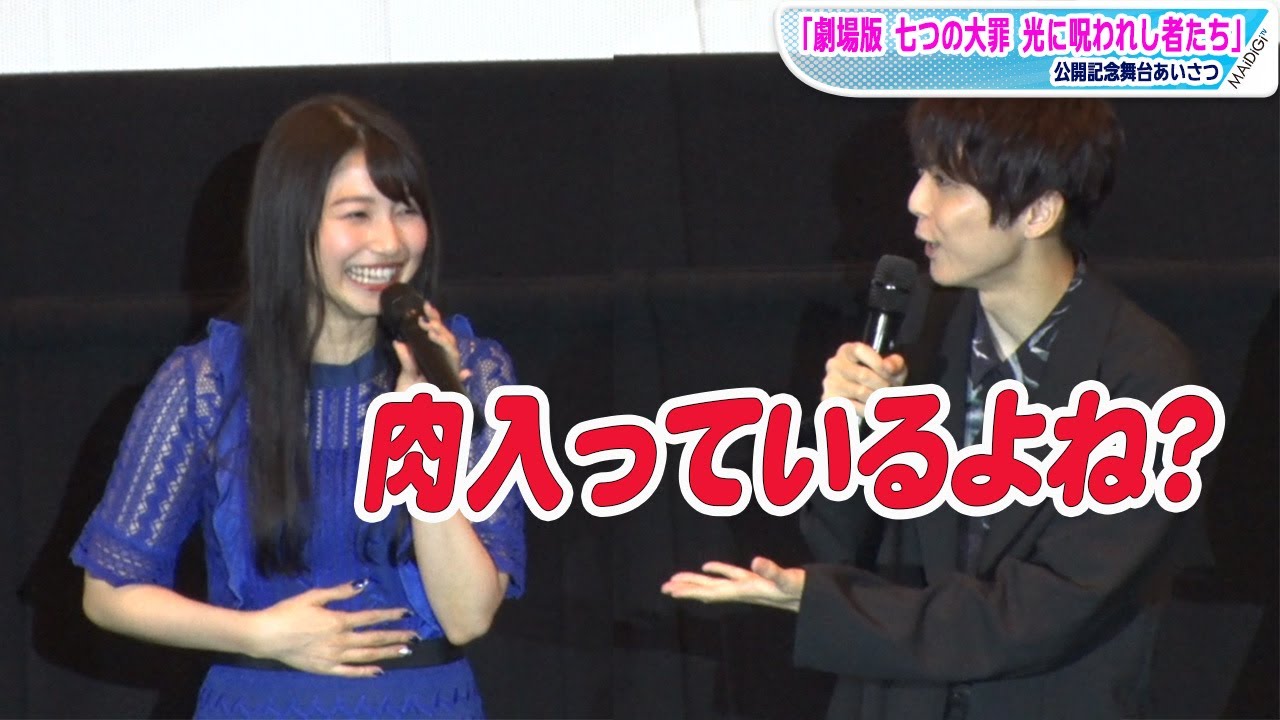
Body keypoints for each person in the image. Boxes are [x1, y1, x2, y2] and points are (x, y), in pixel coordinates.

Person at [662, 99, 1200, 719]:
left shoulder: (1143, 376)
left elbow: (1052, 608)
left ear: (1039, 211)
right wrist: (847, 431)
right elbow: (837, 544)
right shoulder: (919, 332)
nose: (917, 202)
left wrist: (830, 606)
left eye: (947, 182)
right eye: (921, 174)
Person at [72, 94, 525, 718]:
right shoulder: (208, 382)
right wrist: (261, 634)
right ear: (292, 224)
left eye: (405, 210)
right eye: (357, 214)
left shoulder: (473, 372)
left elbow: (469, 615)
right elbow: (108, 592)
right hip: (262, 698)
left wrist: (422, 416)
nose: (389, 241)